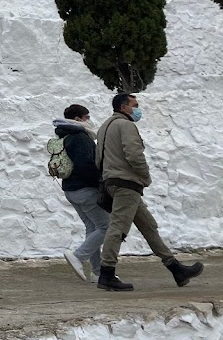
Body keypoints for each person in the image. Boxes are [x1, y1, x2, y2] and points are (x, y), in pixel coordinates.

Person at [96, 93, 204, 291]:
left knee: (148, 226)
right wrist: (145, 176)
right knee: (118, 228)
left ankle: (175, 268)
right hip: (126, 184)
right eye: (134, 105)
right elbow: (134, 154)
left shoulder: (104, 127)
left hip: (113, 182)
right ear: (123, 107)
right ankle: (107, 273)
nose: (137, 109)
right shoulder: (126, 125)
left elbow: (98, 159)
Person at [54, 104, 108, 284]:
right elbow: (86, 165)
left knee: (93, 227)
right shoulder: (79, 136)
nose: (89, 120)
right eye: (87, 116)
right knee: (106, 227)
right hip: (85, 189)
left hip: (71, 189)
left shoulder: (64, 135)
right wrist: (99, 183)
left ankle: (97, 273)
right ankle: (78, 256)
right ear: (78, 119)